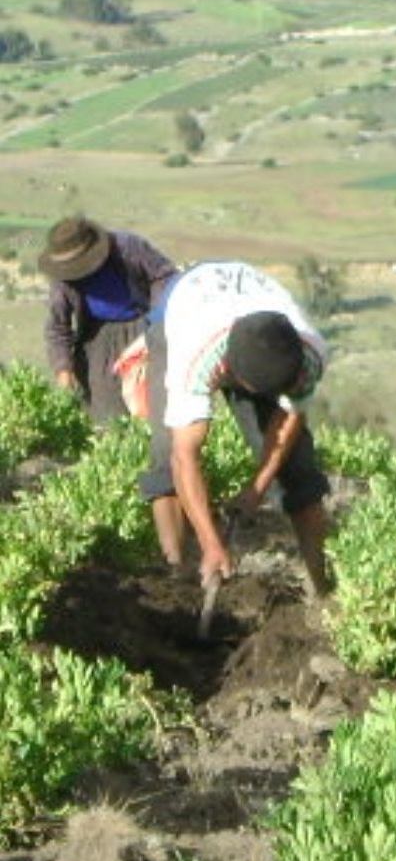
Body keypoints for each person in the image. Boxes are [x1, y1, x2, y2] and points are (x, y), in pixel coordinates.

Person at [139, 260, 331, 596]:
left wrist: (256, 489)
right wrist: (211, 542)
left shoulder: (309, 355)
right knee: (165, 451)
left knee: (298, 467)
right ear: (230, 374)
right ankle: (177, 581)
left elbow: (288, 420)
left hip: (258, 330)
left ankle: (321, 587)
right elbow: (185, 457)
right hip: (184, 305)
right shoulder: (195, 354)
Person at [37, 215, 178, 423]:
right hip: (98, 341)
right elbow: (58, 328)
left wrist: (157, 322)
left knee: (155, 404)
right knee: (108, 418)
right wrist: (64, 371)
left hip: (146, 325)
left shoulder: (127, 248)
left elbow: (164, 275)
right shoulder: (63, 279)